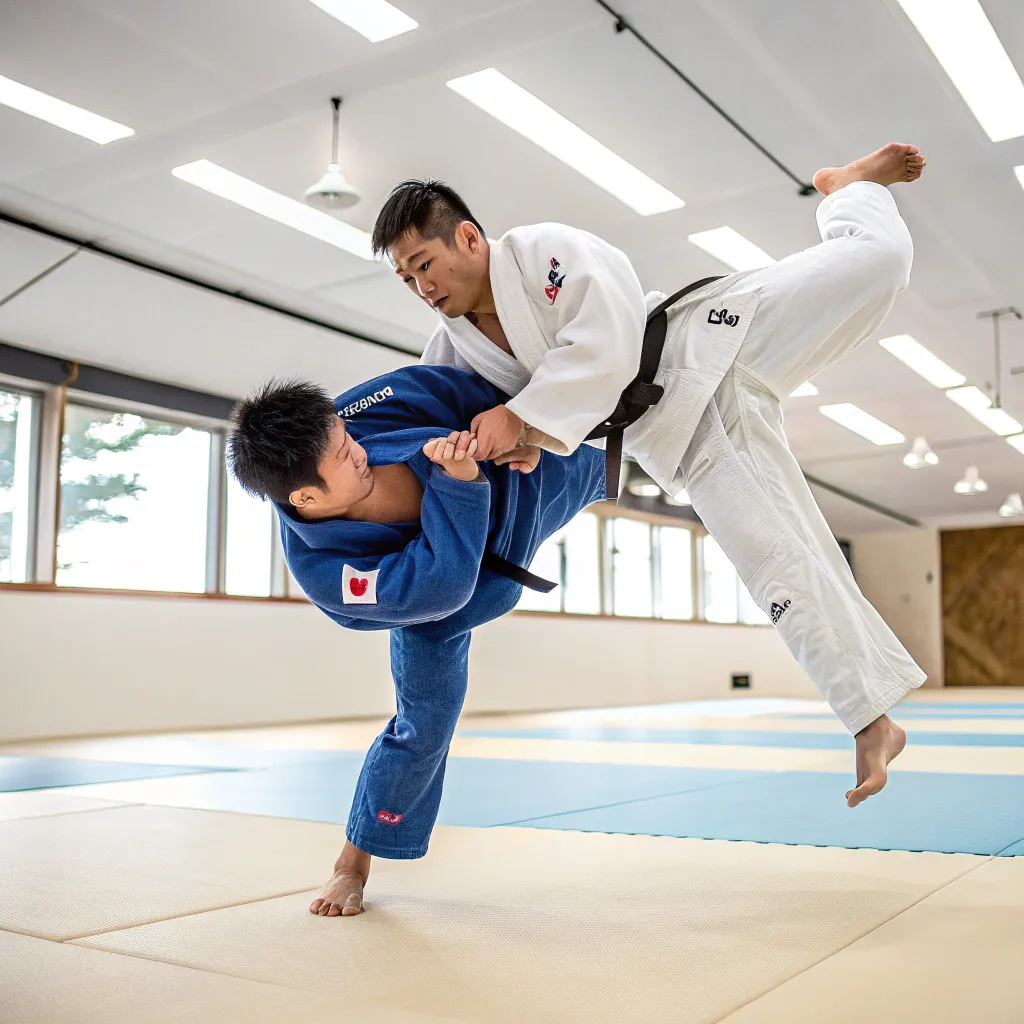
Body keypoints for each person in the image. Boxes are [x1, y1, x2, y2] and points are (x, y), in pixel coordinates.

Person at [373, 143, 929, 809]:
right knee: (775, 561)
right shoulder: (451, 355)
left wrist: (522, 419)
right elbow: (495, 429)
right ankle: (870, 719)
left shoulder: (542, 253)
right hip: (683, 433)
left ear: (467, 238)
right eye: (405, 279)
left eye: (423, 264)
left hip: (710, 338)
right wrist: (527, 443)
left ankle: (848, 191)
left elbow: (607, 342)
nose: (422, 287)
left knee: (879, 262)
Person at [227, 364, 606, 917]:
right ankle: (351, 864)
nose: (358, 450)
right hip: (444, 608)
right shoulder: (327, 571)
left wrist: (520, 423)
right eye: (343, 456)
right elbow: (441, 589)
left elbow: (449, 386)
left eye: (347, 437)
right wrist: (459, 481)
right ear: (305, 497)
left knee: (636, 442)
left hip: (529, 478)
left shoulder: (354, 415)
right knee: (422, 725)